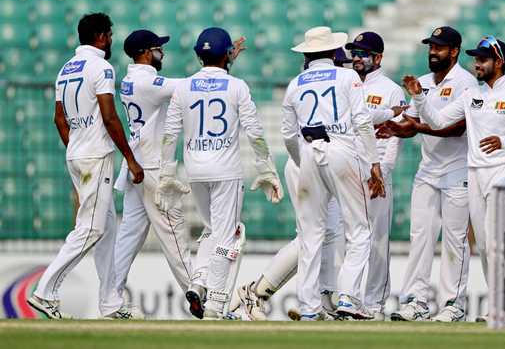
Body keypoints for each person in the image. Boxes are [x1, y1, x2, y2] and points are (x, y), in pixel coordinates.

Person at [402, 36, 505, 325]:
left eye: (483, 59)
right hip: (474, 173)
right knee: (485, 245)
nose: (476, 63)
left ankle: (502, 308)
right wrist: (418, 97)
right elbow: (438, 122)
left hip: (503, 171)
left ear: (499, 63)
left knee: (495, 243)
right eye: (475, 58)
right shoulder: (471, 96)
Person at [158, 27, 283, 320]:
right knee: (229, 235)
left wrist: (167, 173)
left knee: (214, 230)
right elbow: (254, 131)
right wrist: (266, 168)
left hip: (195, 170)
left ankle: (199, 282)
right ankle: (215, 304)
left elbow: (170, 133)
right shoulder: (237, 86)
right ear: (228, 54)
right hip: (226, 171)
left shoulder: (183, 87)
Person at [27, 13, 144, 319]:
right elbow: (109, 116)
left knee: (106, 230)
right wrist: (130, 158)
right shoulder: (101, 67)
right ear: (102, 37)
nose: (111, 40)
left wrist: (77, 149)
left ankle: (110, 303)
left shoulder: (65, 70)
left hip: (77, 154)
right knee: (91, 228)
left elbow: (58, 119)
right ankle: (45, 291)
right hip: (95, 156)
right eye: (110, 35)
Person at [229, 48, 352, 321]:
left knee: (325, 234)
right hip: (311, 163)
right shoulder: (339, 82)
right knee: (314, 234)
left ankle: (322, 296)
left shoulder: (310, 82)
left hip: (310, 161)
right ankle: (257, 292)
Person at [281, 26, 385, 321]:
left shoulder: (295, 83)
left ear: (308, 54)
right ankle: (349, 298)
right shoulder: (348, 76)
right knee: (359, 230)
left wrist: (302, 161)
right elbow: (363, 122)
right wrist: (374, 164)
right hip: (341, 150)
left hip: (309, 152)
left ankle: (309, 307)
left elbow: (288, 135)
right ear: (333, 52)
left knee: (311, 234)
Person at [379, 26, 477, 322]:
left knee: (454, 239)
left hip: (457, 171)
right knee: (420, 237)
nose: (433, 52)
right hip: (428, 172)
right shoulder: (421, 83)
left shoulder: (467, 83)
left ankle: (453, 304)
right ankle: (416, 301)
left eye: (439, 48)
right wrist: (397, 128)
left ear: (454, 51)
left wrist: (416, 126)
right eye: (430, 47)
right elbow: (412, 122)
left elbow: (458, 128)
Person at [110, 29, 201, 317]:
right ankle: (197, 292)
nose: (162, 53)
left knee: (130, 234)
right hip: (151, 167)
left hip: (138, 164)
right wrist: (217, 66)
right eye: (158, 49)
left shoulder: (129, 79)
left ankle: (110, 296)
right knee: (172, 230)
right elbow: (189, 87)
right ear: (146, 53)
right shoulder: (147, 81)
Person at [344, 31, 407, 321]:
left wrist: (383, 171)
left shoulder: (392, 90)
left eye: (362, 53)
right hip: (347, 171)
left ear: (378, 58)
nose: (356, 58)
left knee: (377, 240)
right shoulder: (346, 84)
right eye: (354, 53)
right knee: (353, 238)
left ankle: (374, 303)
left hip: (376, 173)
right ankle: (350, 298)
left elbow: (394, 136)